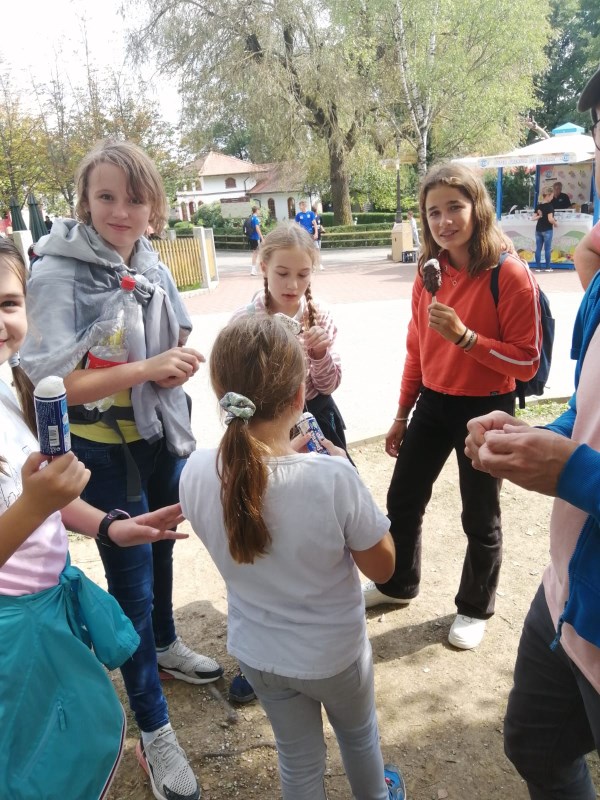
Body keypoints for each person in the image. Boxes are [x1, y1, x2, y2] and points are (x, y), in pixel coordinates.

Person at [20, 139, 223, 800]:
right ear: (85, 200)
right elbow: (46, 379)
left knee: (165, 555)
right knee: (130, 585)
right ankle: (153, 729)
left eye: (135, 198)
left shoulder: (149, 260)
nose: (121, 209)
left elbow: (177, 329)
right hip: (102, 453)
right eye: (107, 196)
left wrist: (171, 359)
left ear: (153, 207)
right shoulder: (56, 272)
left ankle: (164, 645)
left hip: (158, 438)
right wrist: (143, 368)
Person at [179, 314, 406, 800]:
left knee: (298, 759)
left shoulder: (195, 472)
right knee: (359, 736)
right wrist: (346, 474)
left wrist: (289, 466)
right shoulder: (331, 479)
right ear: (301, 397)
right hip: (334, 656)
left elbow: (256, 496)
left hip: (259, 654)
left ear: (221, 391)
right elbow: (384, 568)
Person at [0, 238, 191, 800]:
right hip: (11, 629)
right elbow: (32, 503)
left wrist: (111, 526)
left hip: (46, 608)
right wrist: (36, 503)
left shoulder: (12, 395)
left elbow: (39, 499)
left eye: (8, 303)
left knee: (69, 743)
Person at [464, 64, 600, 800]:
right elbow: (590, 415)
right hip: (568, 595)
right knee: (534, 745)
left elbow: (520, 355)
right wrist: (532, 431)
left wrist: (571, 471)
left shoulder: (511, 274)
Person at [362, 161, 541, 651]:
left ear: (477, 207)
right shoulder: (428, 273)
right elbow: (416, 348)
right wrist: (402, 413)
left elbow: (525, 362)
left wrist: (466, 338)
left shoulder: (510, 274)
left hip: (487, 406)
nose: (444, 222)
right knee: (403, 499)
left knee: (479, 514)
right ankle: (399, 585)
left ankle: (474, 606)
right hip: (433, 404)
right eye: (434, 212)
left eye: (454, 208)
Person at [231, 222, 349, 452]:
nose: (293, 284)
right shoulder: (244, 321)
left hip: (316, 420)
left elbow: (327, 387)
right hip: (264, 425)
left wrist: (320, 354)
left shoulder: (320, 315)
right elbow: (234, 389)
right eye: (282, 273)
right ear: (264, 267)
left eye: (303, 274)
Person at [532, 186, 557, 272]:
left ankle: (538, 267)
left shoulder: (539, 206)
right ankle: (547, 267)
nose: (552, 197)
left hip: (538, 229)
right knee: (547, 249)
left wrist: (540, 216)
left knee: (538, 248)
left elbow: (533, 218)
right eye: (552, 196)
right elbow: (550, 219)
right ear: (548, 195)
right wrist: (556, 223)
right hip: (547, 230)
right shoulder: (550, 206)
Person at [247, 205, 263, 276]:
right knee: (257, 253)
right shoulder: (255, 219)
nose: (259, 211)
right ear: (256, 210)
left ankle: (254, 269)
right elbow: (257, 228)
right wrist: (262, 237)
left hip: (251, 238)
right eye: (259, 210)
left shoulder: (251, 218)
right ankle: (254, 270)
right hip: (256, 238)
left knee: (255, 253)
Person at [312, 202, 325, 270]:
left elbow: (321, 225)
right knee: (317, 250)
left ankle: (315, 265)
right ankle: (318, 265)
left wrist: (323, 229)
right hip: (314, 236)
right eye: (317, 209)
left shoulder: (319, 217)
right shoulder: (311, 218)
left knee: (318, 250)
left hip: (319, 235)